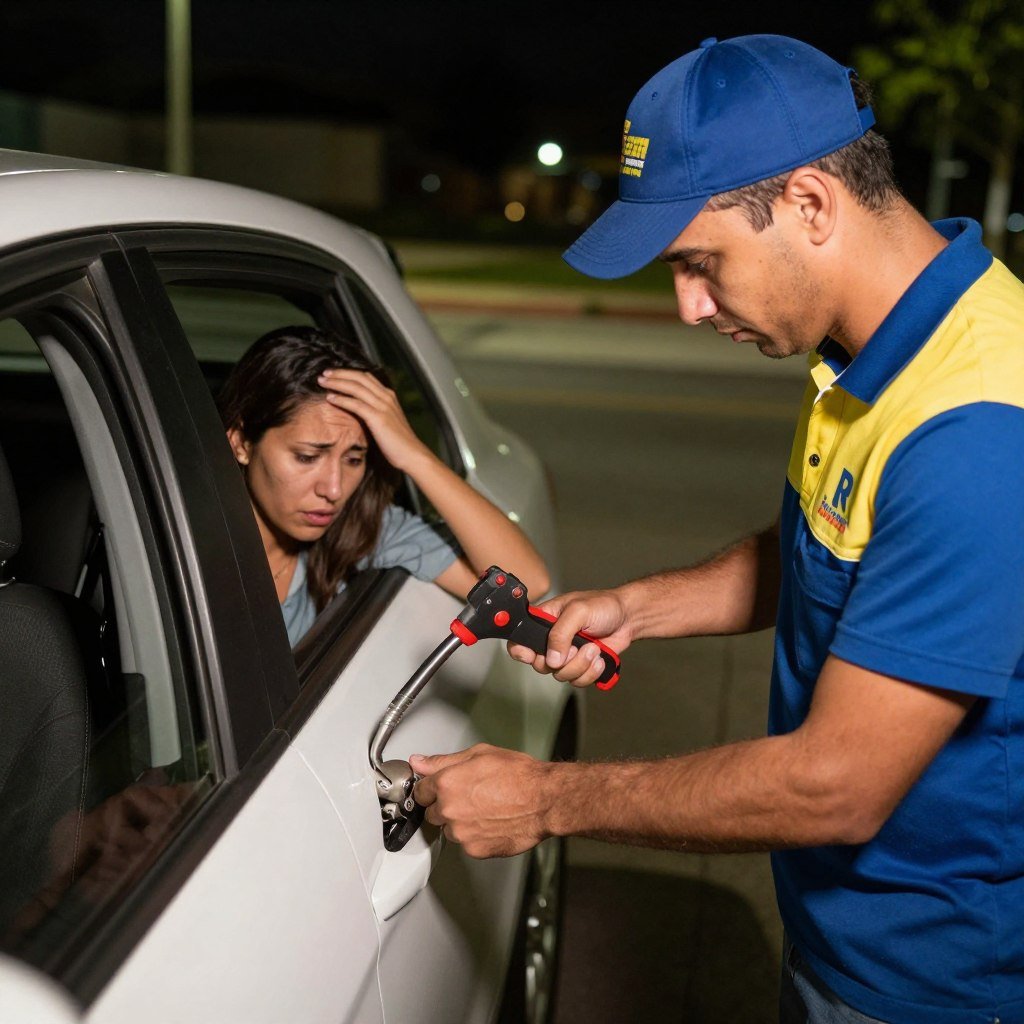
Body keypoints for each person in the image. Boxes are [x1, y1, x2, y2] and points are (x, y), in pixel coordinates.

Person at [410, 34, 1024, 1024]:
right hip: (843, 936)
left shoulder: (980, 429)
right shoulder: (871, 347)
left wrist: (547, 799)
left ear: (810, 204)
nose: (688, 307)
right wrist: (636, 609)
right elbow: (828, 555)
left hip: (935, 982)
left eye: (701, 264)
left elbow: (833, 787)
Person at [218, 325, 549, 645]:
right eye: (307, 456)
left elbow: (528, 582)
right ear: (242, 443)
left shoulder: (360, 529)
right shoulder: (183, 544)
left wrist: (414, 455)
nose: (333, 490)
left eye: (354, 459)